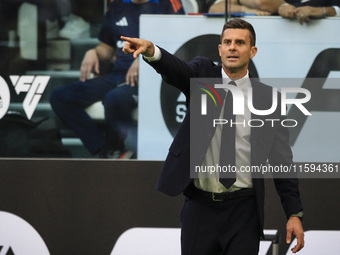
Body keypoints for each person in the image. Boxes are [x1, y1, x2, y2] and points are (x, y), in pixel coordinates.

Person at [121, 18, 304, 254]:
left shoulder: (269, 100)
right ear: (220, 49)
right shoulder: (203, 76)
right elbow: (176, 70)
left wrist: (293, 213)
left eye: (240, 42)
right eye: (227, 42)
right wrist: (151, 51)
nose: (232, 47)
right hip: (200, 208)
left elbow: (282, 162)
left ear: (253, 51)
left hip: (244, 211)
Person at [50, 0, 184, 159]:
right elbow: (107, 48)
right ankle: (106, 149)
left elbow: (181, 40)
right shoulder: (116, 5)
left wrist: (146, 58)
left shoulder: (167, 3)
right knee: (60, 97)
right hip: (118, 74)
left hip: (152, 78)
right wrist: (94, 52)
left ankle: (115, 148)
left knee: (114, 99)